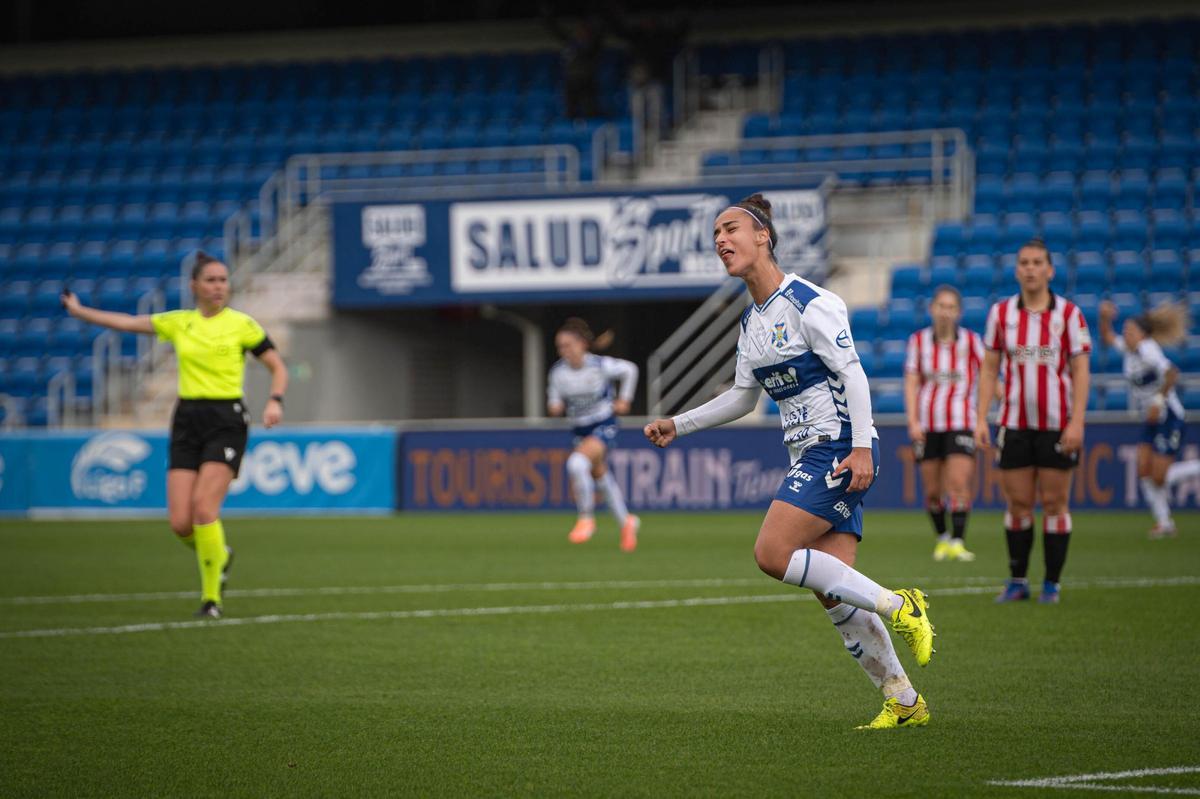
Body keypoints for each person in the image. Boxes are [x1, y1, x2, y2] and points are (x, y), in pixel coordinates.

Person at [644, 194, 936, 730]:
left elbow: (853, 374)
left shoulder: (810, 301)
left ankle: (902, 605)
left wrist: (862, 448)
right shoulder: (752, 323)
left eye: (730, 229)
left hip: (838, 446)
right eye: (715, 236)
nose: (720, 241)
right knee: (834, 590)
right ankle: (904, 700)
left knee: (773, 552)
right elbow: (741, 398)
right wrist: (678, 424)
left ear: (764, 237)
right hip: (811, 451)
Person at [61, 251, 287, 619]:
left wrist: (275, 400)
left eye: (223, 280)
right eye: (211, 280)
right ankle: (221, 555)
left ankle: (211, 600)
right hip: (186, 419)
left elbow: (277, 366)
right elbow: (128, 322)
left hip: (226, 418)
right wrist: (81, 311)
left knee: (204, 510)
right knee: (181, 523)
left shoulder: (243, 325)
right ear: (194, 285)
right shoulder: (179, 322)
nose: (218, 287)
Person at [975, 239, 1090, 604]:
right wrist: (980, 418)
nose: (1030, 268)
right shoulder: (1001, 314)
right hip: (1014, 424)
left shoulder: (1069, 315)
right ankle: (1018, 581)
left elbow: (1081, 371)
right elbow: (989, 368)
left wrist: (1077, 422)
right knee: (1019, 504)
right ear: (1017, 269)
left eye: (1037, 262)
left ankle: (1052, 584)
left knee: (1055, 504)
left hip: (1057, 424)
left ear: (1049, 269)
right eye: (1024, 262)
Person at [1098, 300, 1198, 537]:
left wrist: (1158, 401)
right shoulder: (1130, 349)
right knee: (1143, 470)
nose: (1126, 335)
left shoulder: (1148, 349)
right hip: (1151, 419)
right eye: (1125, 330)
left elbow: (1172, 374)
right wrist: (1104, 318)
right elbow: (1107, 337)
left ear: (1142, 334)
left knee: (1159, 476)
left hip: (1169, 417)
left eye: (1130, 331)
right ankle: (1164, 523)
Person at [904, 285, 985, 562]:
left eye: (951, 307)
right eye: (941, 306)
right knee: (932, 490)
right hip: (928, 425)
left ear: (959, 312)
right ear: (932, 309)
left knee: (958, 483)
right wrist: (913, 420)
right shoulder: (918, 342)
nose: (945, 313)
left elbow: (989, 378)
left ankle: (959, 541)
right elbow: (912, 382)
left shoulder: (972, 342)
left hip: (962, 421)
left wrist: (988, 413)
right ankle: (942, 538)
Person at [547, 317, 640, 552]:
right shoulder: (558, 373)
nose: (563, 351)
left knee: (577, 464)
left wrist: (624, 400)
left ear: (581, 344)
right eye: (560, 347)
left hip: (603, 423)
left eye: (567, 345)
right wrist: (555, 407)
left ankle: (586, 518)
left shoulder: (599, 365)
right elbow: (555, 402)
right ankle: (626, 522)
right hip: (580, 429)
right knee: (600, 476)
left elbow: (630, 370)